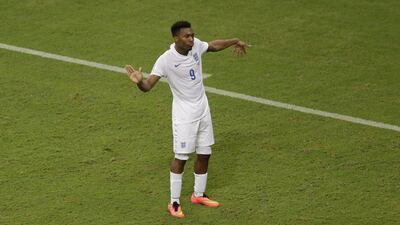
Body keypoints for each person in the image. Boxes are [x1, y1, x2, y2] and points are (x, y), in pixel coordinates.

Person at [125, 20, 250, 218]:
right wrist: (139, 82)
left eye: (192, 35)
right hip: (184, 116)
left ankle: (198, 195)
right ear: (176, 38)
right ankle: (173, 202)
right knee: (181, 158)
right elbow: (148, 86)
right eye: (187, 36)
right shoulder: (165, 60)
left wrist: (235, 40)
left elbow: (213, 45)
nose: (191, 38)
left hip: (203, 109)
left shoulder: (195, 46)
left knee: (205, 152)